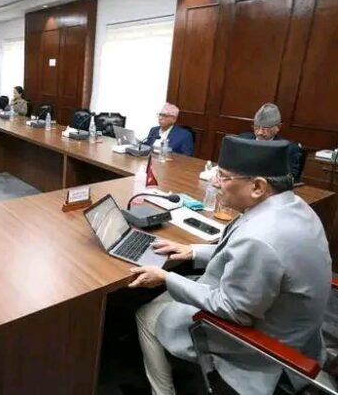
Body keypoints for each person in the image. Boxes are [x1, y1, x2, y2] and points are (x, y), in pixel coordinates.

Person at [131, 135, 331, 395]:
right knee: (177, 289)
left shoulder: (260, 238)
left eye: (224, 177)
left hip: (263, 346)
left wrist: (166, 278)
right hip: (294, 328)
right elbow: (244, 255)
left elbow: (234, 310)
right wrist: (192, 251)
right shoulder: (293, 206)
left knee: (147, 315)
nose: (215, 183)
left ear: (257, 186)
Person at [238, 103, 302, 181]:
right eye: (256, 127)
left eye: (265, 129)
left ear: (278, 127)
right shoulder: (242, 139)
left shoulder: (288, 148)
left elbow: (290, 178)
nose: (260, 132)